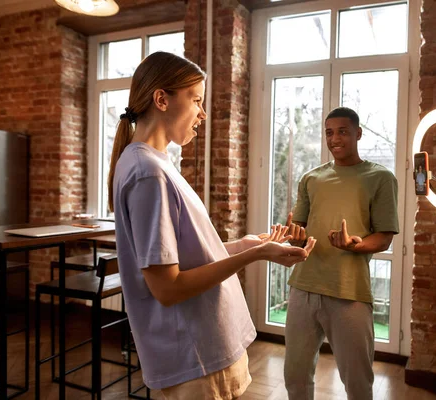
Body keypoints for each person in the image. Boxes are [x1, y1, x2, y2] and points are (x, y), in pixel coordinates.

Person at [108, 51, 316, 400]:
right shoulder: (148, 172)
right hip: (194, 355)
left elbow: (185, 257)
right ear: (161, 99)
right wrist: (257, 255)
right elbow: (168, 288)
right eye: (196, 100)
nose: (202, 114)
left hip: (202, 349)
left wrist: (244, 245)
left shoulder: (153, 164)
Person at [283, 107, 399, 400]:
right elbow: (298, 232)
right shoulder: (311, 178)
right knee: (295, 377)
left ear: (358, 134)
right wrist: (293, 237)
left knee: (358, 382)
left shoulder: (381, 178)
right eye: (329, 132)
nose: (335, 139)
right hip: (303, 288)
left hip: (350, 292)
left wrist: (355, 245)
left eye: (342, 132)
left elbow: (385, 237)